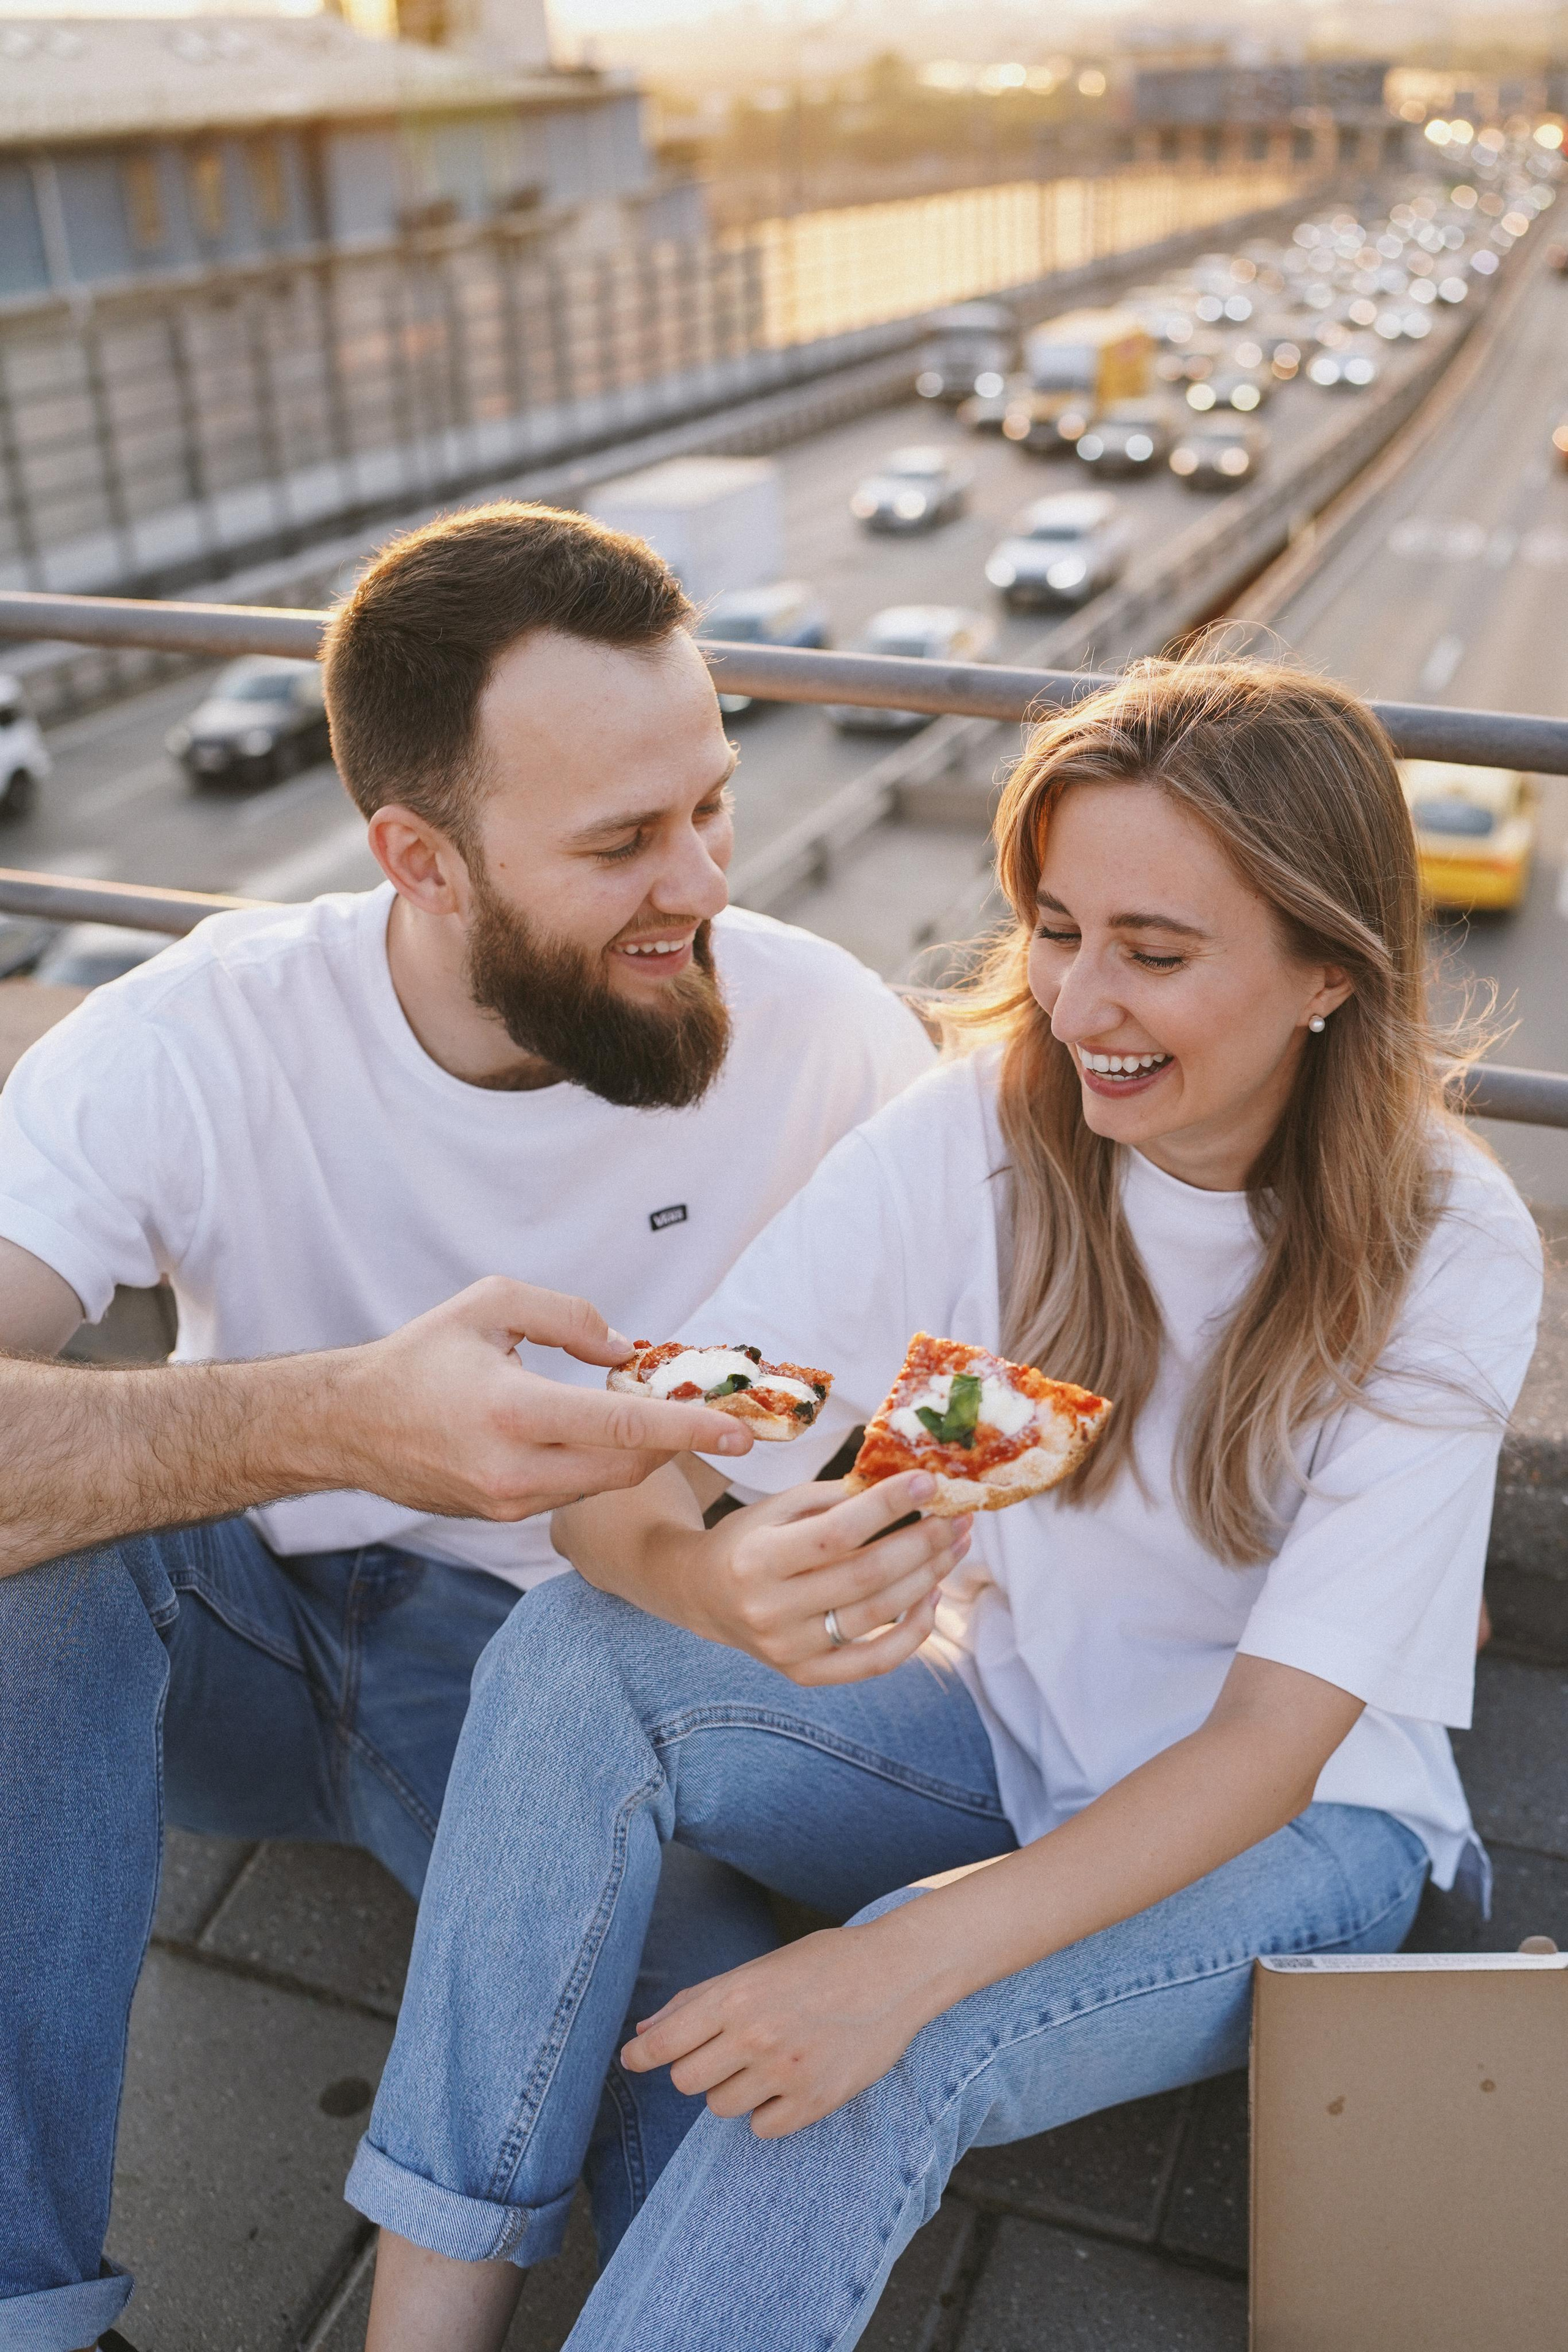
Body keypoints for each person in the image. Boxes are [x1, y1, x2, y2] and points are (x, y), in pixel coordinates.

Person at [346, 657, 1544, 2352]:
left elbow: (1277, 1739)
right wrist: (709, 1578)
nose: (1079, 1001)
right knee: (569, 1656)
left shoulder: (1451, 1243)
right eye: (1059, 928)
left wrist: (899, 1960)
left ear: (1328, 976)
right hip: (1012, 1734)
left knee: (854, 2053)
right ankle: (424, 2324)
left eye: (1157, 952)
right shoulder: (980, 1126)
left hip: (1305, 1830)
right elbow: (633, 1468)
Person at [0, 502, 937, 2352]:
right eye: (622, 843)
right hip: (243, 1640)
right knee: (37, 1565)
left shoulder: (828, 1037)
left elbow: (1008, 1362)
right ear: (420, 860)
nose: (706, 883)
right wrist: (346, 1421)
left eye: (709, 806)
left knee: (733, 2076)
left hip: (587, 1684)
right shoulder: (198, 1034)